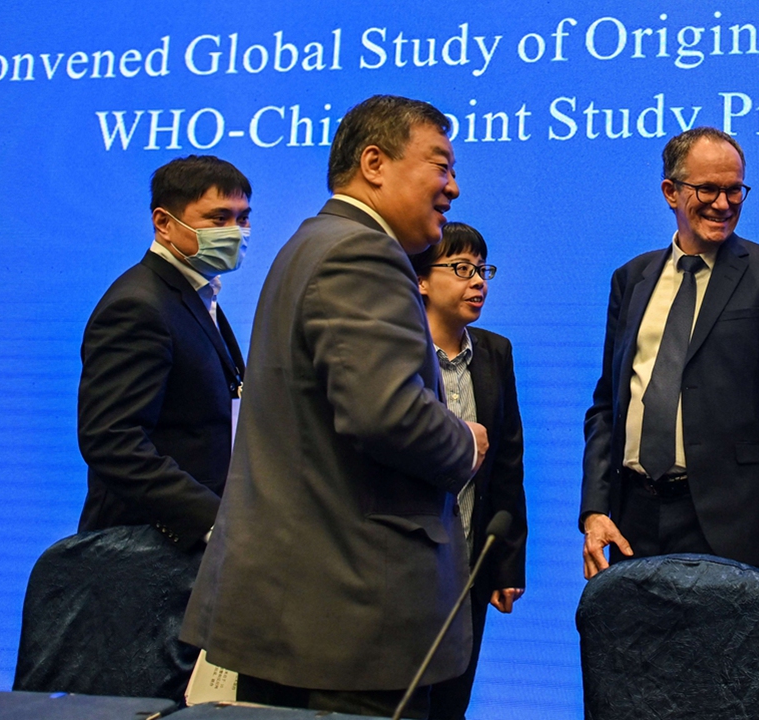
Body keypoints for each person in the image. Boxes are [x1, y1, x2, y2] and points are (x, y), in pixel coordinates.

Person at [181, 96, 489, 718]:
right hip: (349, 622)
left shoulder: (313, 242)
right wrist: (466, 443)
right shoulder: (362, 254)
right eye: (441, 165)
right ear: (374, 163)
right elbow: (389, 415)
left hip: (302, 615)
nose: (453, 187)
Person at [580, 126, 759, 596]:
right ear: (671, 191)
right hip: (632, 524)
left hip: (731, 526)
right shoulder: (631, 279)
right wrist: (594, 510)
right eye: (707, 189)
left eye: (735, 190)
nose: (723, 203)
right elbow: (607, 406)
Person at [78, 154, 250, 550]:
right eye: (218, 218)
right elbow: (113, 441)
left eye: (242, 218)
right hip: (142, 551)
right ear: (164, 223)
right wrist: (211, 521)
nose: (236, 232)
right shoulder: (138, 306)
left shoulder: (197, 293)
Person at [409, 222, 528, 720]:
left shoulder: (495, 352)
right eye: (461, 268)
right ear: (420, 281)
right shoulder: (399, 352)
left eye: (482, 270)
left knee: (452, 701)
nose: (477, 281)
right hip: (406, 566)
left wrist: (505, 566)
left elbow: (507, 463)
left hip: (468, 567)